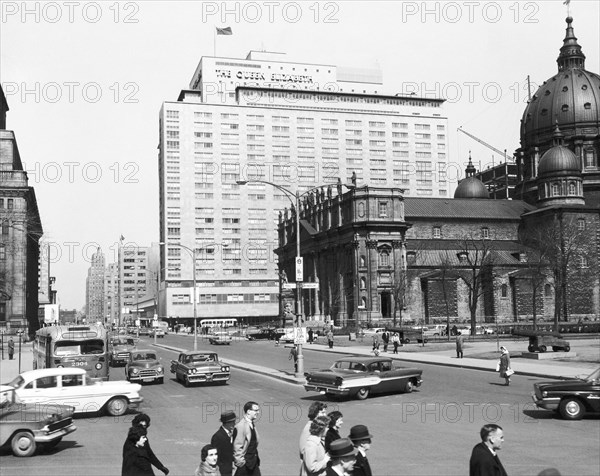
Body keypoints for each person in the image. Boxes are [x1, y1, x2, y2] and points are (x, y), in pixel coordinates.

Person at [233, 401, 261, 476]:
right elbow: (237, 446)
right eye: (256, 410)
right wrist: (241, 462)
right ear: (248, 411)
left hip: (253, 462)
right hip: (245, 464)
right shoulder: (241, 426)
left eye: (258, 410)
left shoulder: (251, 424)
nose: (258, 412)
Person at [211, 411, 236, 476]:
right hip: (223, 471)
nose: (234, 424)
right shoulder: (217, 437)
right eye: (232, 422)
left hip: (232, 469)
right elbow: (215, 456)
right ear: (226, 423)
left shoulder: (233, 433)